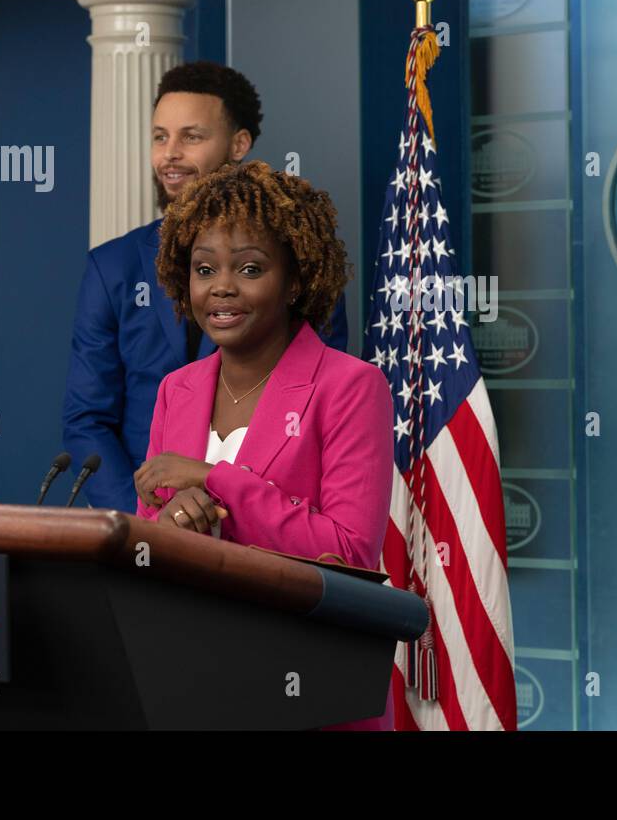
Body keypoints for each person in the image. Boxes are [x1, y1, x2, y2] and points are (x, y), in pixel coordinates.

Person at [132, 159, 394, 730]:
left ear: (295, 279)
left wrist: (212, 479)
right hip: (191, 684)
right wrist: (174, 525)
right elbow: (148, 547)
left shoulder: (350, 386)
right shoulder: (178, 390)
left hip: (312, 691)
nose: (222, 287)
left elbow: (347, 556)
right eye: (204, 269)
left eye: (250, 268)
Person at [61, 62, 349, 512]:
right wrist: (146, 525)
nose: (170, 154)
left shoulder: (298, 259)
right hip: (148, 535)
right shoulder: (111, 266)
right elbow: (88, 419)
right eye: (160, 137)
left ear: (239, 144)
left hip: (269, 534)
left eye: (191, 136)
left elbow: (315, 409)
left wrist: (233, 507)